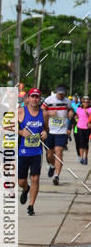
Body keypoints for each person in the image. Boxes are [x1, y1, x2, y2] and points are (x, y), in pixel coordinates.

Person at [18, 88, 47, 216]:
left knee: (35, 178)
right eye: (32, 96)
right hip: (23, 151)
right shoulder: (20, 111)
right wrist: (20, 132)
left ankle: (31, 206)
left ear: (39, 99)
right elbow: (7, 126)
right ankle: (26, 189)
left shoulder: (44, 113)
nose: (35, 99)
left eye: (37, 97)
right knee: (21, 181)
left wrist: (45, 132)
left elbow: (47, 128)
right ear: (28, 98)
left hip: (37, 151)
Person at [43, 84, 74, 185]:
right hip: (50, 130)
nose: (61, 96)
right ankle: (52, 166)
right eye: (59, 94)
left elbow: (71, 110)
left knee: (59, 152)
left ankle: (56, 176)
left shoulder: (67, 101)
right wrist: (49, 113)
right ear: (56, 91)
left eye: (63, 94)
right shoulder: (48, 100)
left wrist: (70, 113)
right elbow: (41, 111)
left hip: (61, 131)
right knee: (49, 154)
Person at [76, 96, 91, 164]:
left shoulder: (90, 109)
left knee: (86, 143)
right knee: (81, 143)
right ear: (82, 102)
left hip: (87, 128)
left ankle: (86, 157)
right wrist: (76, 119)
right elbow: (76, 116)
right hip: (80, 127)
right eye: (84, 102)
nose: (86, 103)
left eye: (87, 102)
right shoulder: (79, 109)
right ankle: (81, 157)